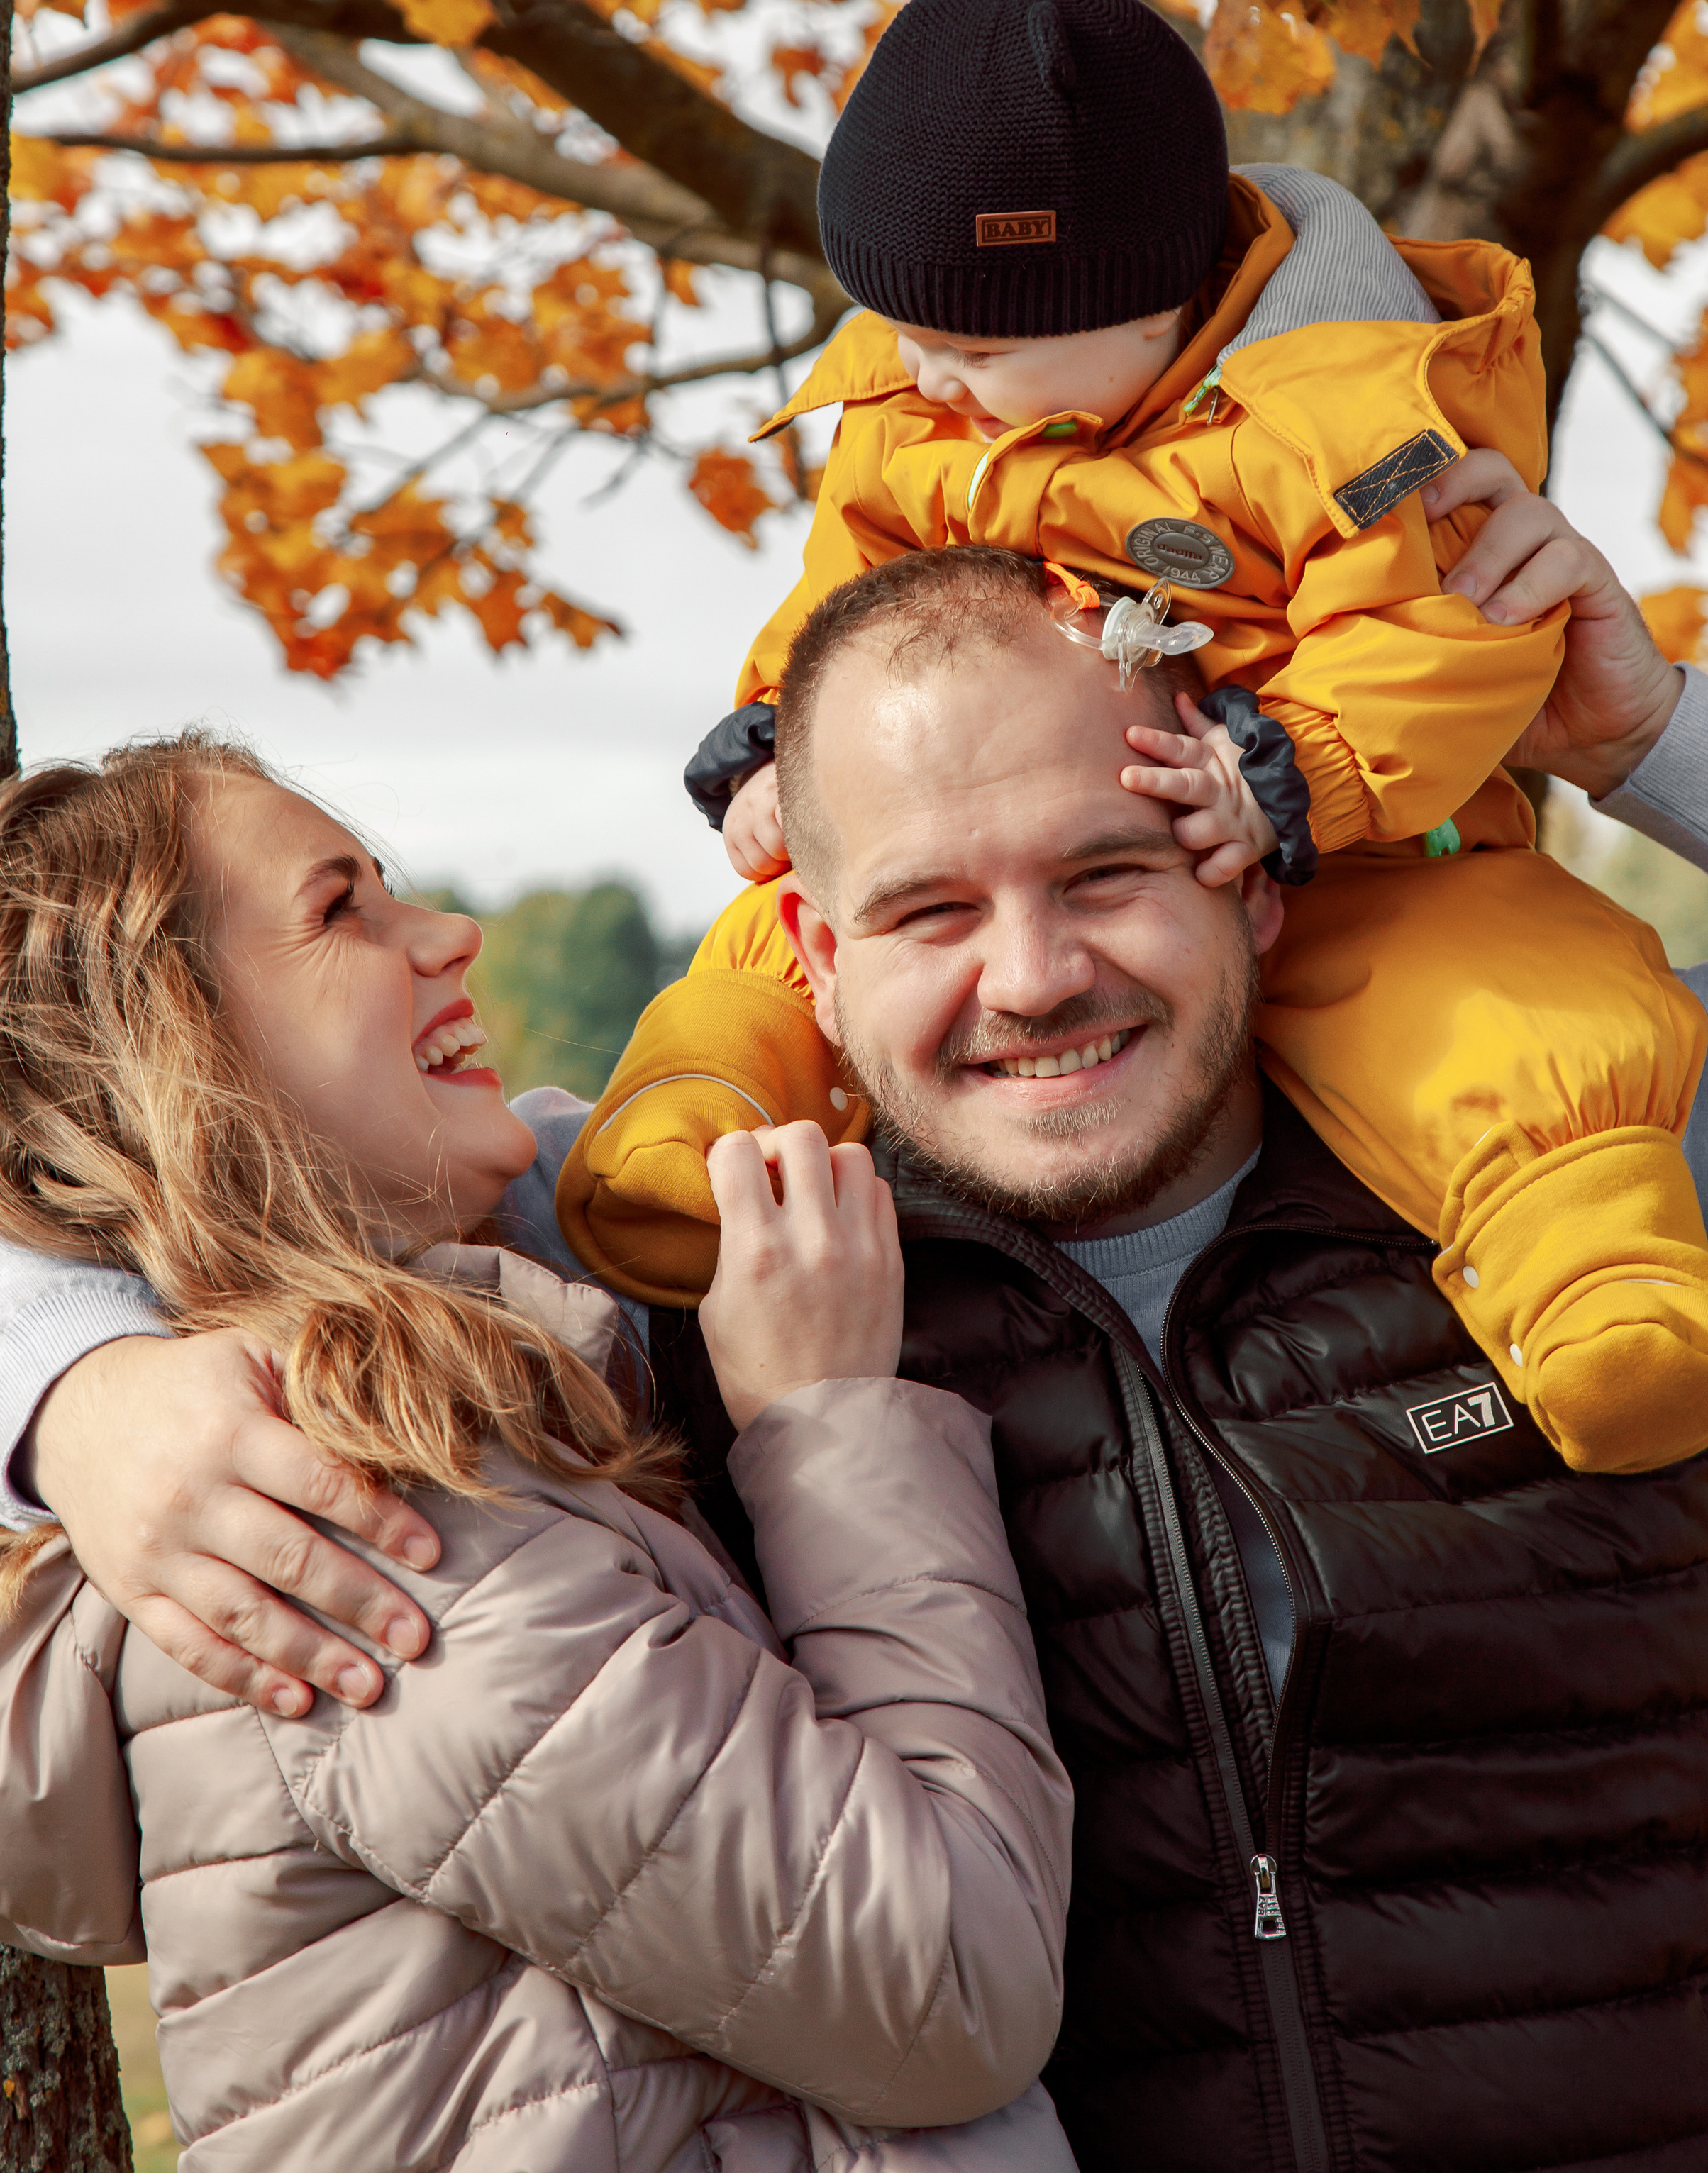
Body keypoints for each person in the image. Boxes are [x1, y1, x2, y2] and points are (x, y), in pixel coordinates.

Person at [4, 561, 1708, 2172]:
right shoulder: (683, 1264)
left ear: (1254, 870)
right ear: (811, 947)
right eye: (930, 911)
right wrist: (77, 1393)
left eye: (1109, 869)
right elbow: (185, 1173)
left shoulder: (1619, 1167)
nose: (1030, 978)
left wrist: (1653, 735)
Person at [556, 0, 1708, 1479]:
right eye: (908, 338)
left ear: (1143, 303)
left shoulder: (1346, 405)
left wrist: (1305, 777)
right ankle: (709, 1125)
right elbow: (841, 606)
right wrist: (782, 747)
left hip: (1367, 848)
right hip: (1057, 809)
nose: (922, 380)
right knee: (801, 919)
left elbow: (1435, 634)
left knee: (1502, 1001)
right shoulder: (925, 406)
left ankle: (1594, 1265)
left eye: (970, 347)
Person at [0, 734, 1077, 2172]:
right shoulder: (366, 1518)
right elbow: (949, 1980)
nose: (451, 935)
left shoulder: (456, 1400)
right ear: (180, 1055)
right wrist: (829, 1427)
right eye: (341, 910)